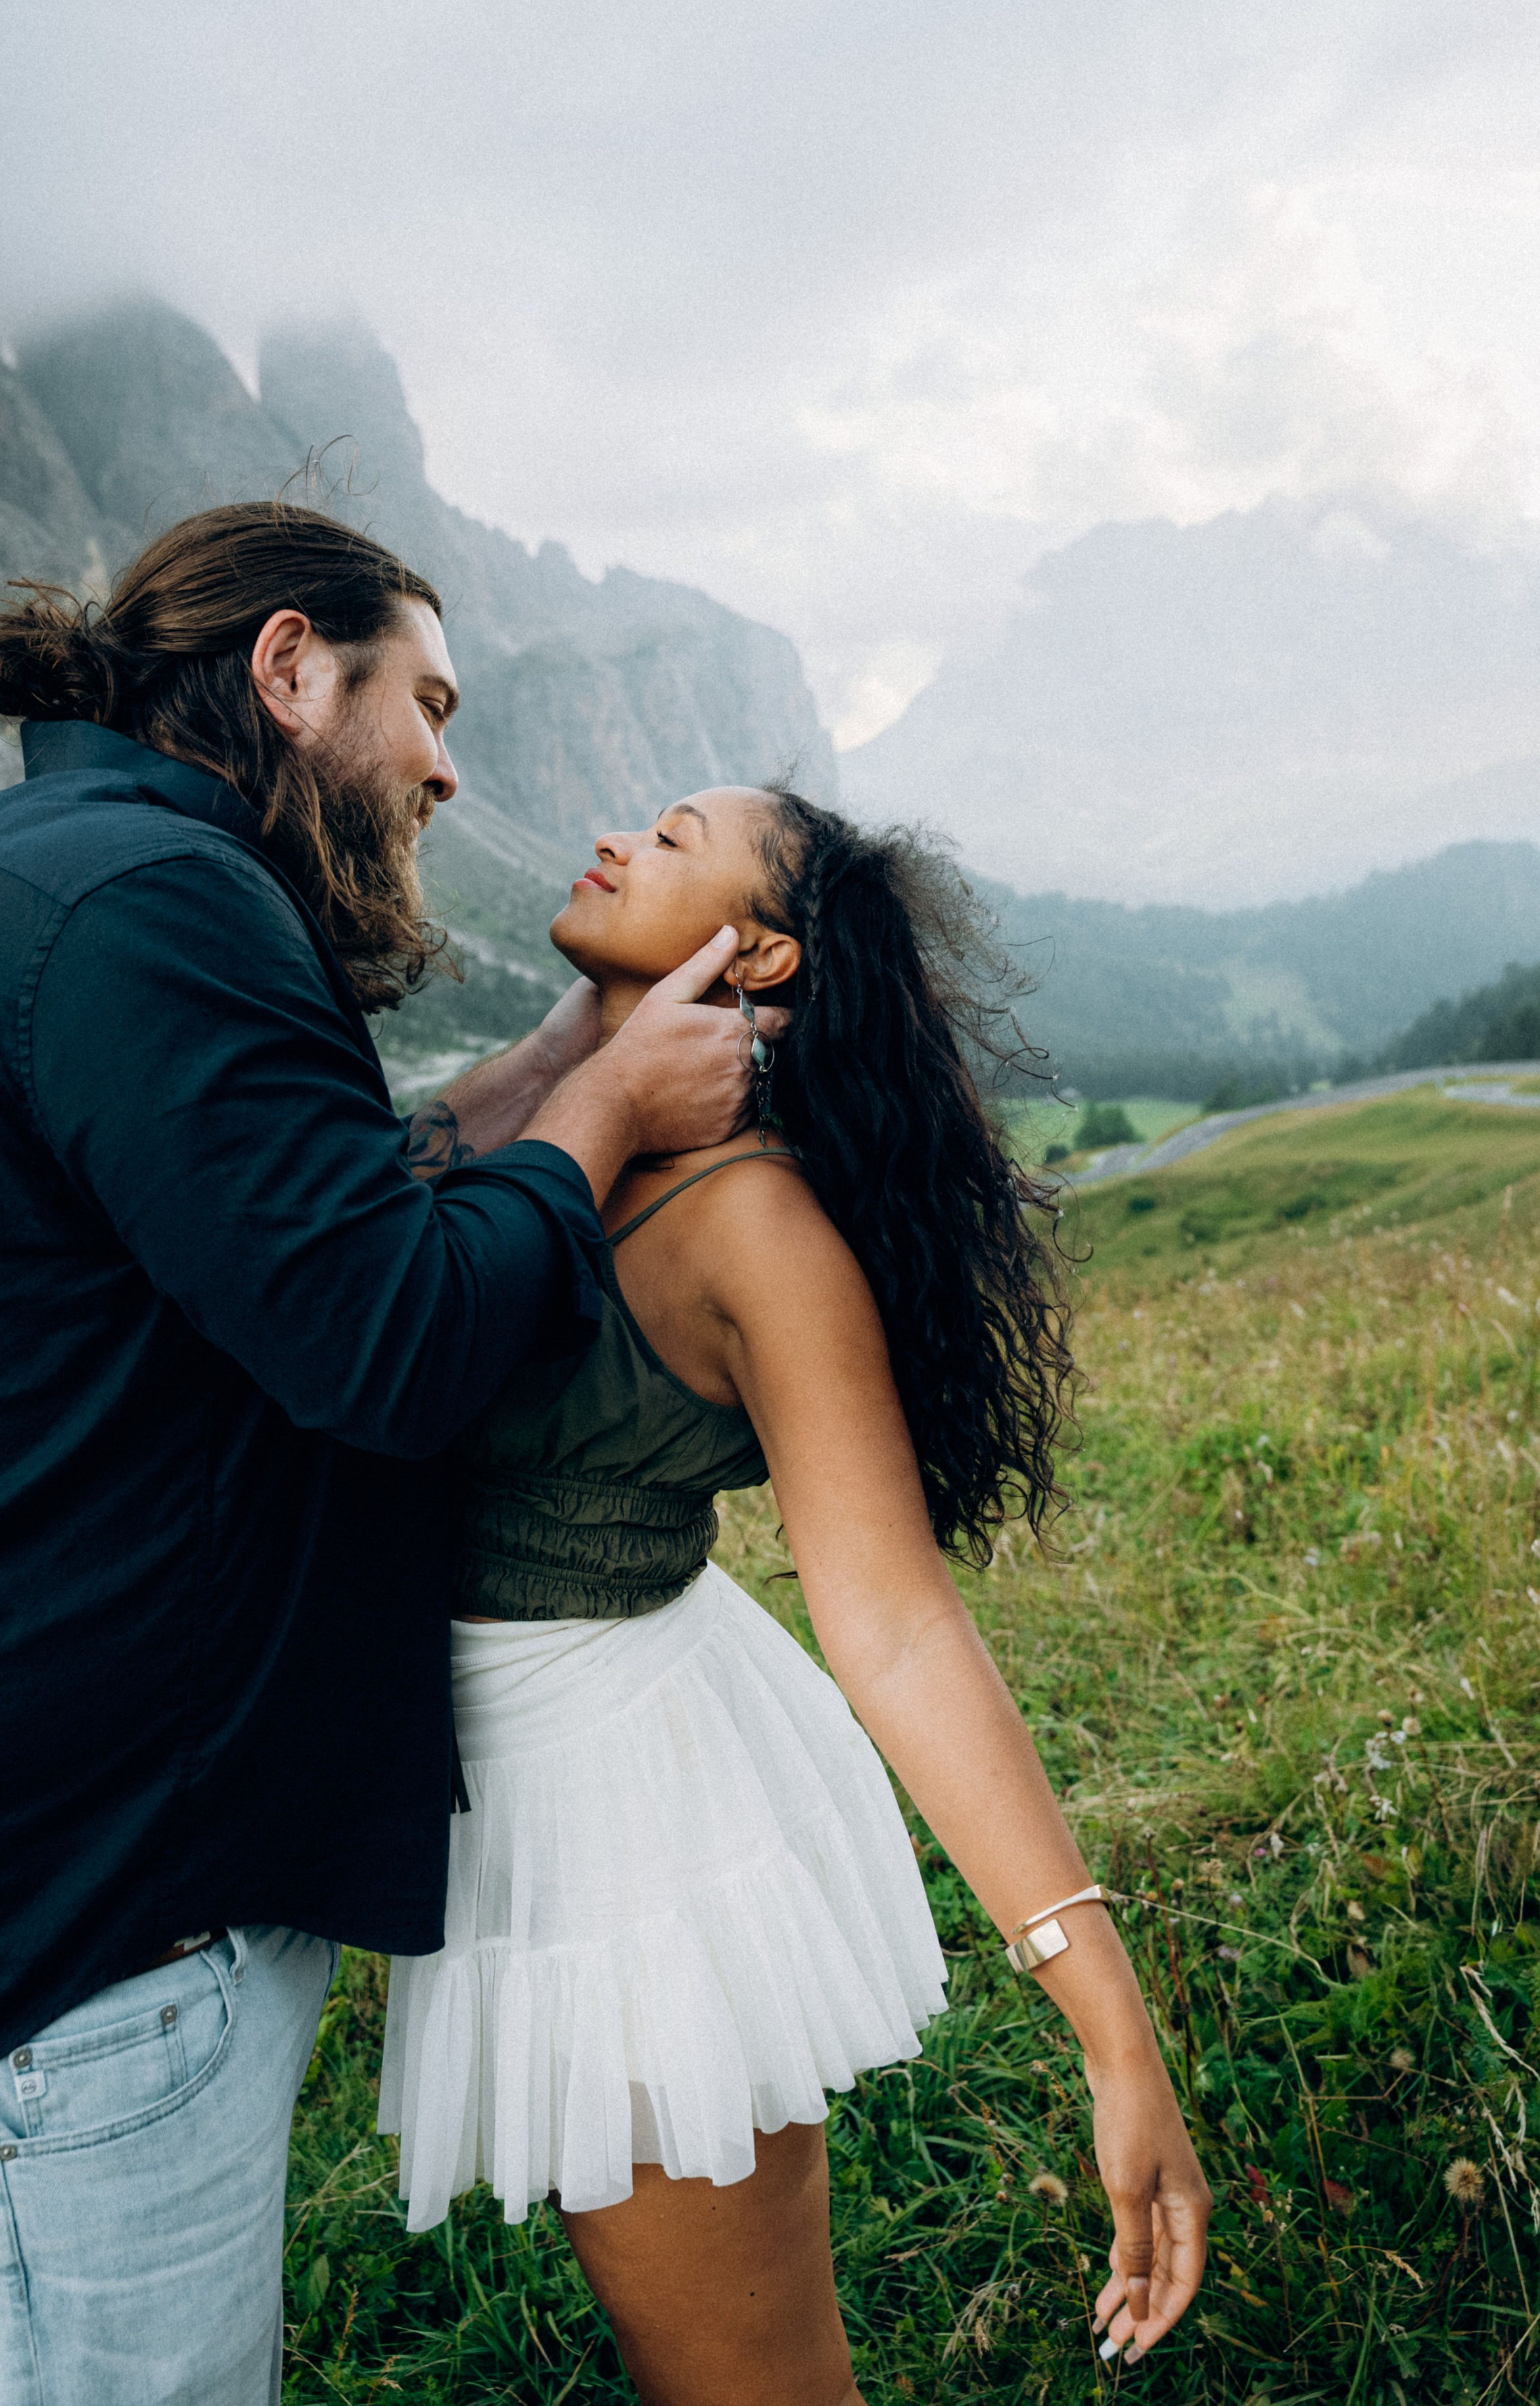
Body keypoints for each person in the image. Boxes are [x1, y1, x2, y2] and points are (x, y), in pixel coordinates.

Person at [0, 505, 780, 2406]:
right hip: (120, 1915)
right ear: (287, 671)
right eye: (421, 703)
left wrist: (554, 1058)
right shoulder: (163, 911)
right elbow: (385, 1338)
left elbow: (302, 1211)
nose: (445, 763)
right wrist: (599, 1114)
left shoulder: (84, 868)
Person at [381, 783, 1211, 2403]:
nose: (621, 836)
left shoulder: (754, 1227)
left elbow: (895, 1625)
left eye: (676, 838)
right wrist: (590, 1040)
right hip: (514, 1808)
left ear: (753, 950)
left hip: (628, 1836)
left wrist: (1112, 2029)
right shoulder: (558, 1126)